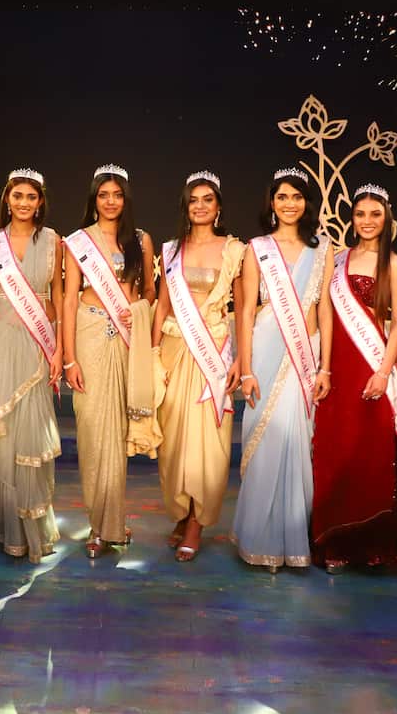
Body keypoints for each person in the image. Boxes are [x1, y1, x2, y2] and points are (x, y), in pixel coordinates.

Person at [231, 168, 334, 573]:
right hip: (268, 347)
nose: (289, 203)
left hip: (306, 352)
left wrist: (325, 365)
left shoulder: (323, 248)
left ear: (306, 202)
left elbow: (324, 307)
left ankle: (293, 539)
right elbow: (244, 310)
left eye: (296, 196)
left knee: (298, 442)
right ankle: (261, 539)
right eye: (281, 196)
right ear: (271, 203)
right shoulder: (257, 248)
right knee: (266, 440)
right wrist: (246, 368)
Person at [62, 164, 159, 559]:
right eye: (103, 195)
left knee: (116, 434)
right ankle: (96, 523)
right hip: (87, 334)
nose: (110, 201)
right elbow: (68, 299)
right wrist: (69, 358)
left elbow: (151, 292)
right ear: (94, 199)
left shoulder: (141, 239)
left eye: (117, 194)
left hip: (124, 340)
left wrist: (136, 309)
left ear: (126, 199)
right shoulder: (77, 241)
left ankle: (111, 526)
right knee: (89, 430)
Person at [310, 184, 397, 572]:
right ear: (352, 219)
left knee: (371, 454)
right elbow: (328, 316)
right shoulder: (338, 260)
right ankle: (335, 541)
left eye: (375, 215)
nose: (367, 222)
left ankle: (371, 546)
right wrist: (326, 367)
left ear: (386, 219)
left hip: (373, 366)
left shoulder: (395, 264)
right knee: (336, 452)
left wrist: (383, 371)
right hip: (341, 368)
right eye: (361, 214)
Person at [152, 171, 244, 562]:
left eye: (208, 199)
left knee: (209, 445)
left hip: (214, 354)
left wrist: (241, 358)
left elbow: (242, 306)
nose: (201, 206)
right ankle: (180, 510)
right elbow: (163, 304)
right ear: (186, 207)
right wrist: (152, 352)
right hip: (176, 349)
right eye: (194, 200)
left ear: (218, 206)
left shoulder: (236, 250)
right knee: (173, 444)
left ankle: (197, 520)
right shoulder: (171, 250)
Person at [0, 169, 64, 563]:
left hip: (38, 338)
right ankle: (8, 525)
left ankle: (33, 525)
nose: (24, 203)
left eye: (31, 197)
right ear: (7, 199)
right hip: (2, 337)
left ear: (40, 201)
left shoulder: (53, 240)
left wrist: (59, 347)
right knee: (4, 431)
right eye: (17, 196)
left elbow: (59, 294)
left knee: (31, 430)